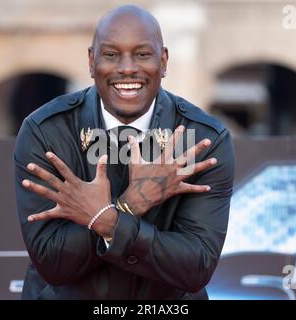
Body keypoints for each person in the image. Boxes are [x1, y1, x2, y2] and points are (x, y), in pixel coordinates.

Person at [13, 4, 235, 300]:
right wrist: (132, 204)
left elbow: (195, 267)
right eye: (111, 55)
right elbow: (53, 264)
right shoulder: (47, 132)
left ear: (164, 61)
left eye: (142, 54)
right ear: (92, 62)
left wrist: (107, 220)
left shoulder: (202, 139)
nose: (127, 68)